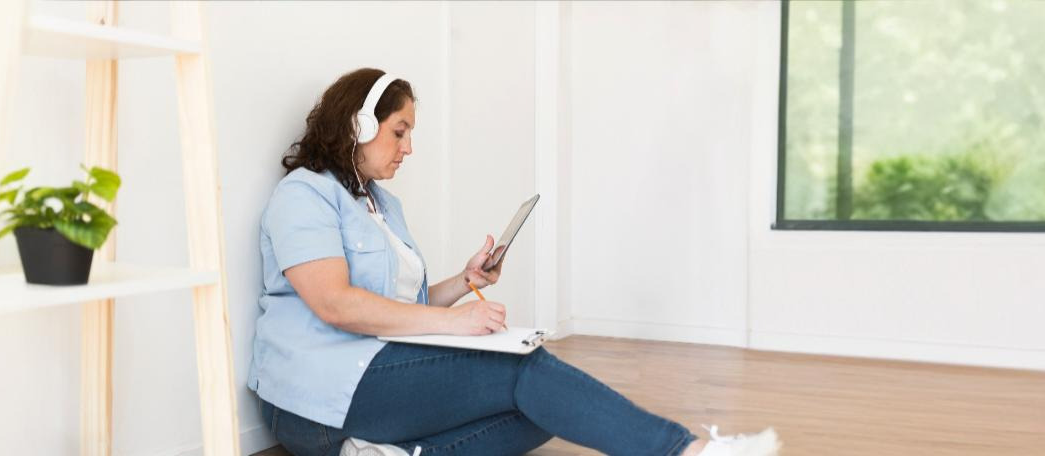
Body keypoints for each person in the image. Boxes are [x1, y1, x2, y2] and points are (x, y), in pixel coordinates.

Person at [248, 68, 781, 456]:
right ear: (359, 126)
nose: (409, 147)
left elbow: (398, 308)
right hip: (315, 402)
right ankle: (686, 452)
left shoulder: (382, 206)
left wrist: (464, 281)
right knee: (527, 373)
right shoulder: (304, 196)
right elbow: (338, 305)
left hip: (374, 379)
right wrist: (454, 324)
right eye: (400, 131)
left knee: (545, 404)